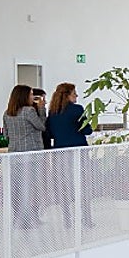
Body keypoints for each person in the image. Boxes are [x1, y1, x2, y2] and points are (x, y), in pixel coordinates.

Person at [43, 82, 94, 228]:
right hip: (78, 152)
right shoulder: (77, 110)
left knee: (64, 186)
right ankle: (86, 219)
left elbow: (49, 134)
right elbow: (87, 130)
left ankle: (67, 220)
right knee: (83, 185)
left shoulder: (53, 112)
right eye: (74, 93)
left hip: (60, 153)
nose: (76, 95)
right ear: (67, 95)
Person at [3, 84, 48, 228]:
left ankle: (18, 218)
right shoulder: (29, 111)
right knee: (30, 187)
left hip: (14, 154)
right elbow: (41, 126)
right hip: (31, 154)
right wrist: (42, 109)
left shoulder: (7, 113)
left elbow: (6, 135)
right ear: (24, 96)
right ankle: (30, 219)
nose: (32, 97)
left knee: (17, 188)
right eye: (31, 95)